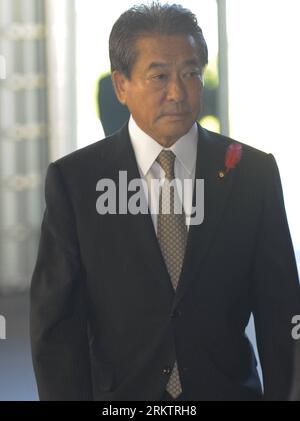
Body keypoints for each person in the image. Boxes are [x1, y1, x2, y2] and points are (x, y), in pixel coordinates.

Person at [30, 2, 300, 401]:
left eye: (190, 73)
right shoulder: (76, 182)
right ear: (121, 85)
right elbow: (56, 329)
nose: (177, 92)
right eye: (159, 76)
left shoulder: (252, 174)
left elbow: (283, 317)